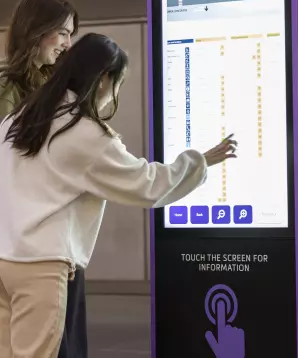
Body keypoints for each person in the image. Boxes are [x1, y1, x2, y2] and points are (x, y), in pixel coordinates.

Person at [0, 33, 237, 358]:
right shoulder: (83, 132)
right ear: (103, 80)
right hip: (41, 266)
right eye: (118, 85)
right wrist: (198, 162)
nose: (113, 97)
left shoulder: (20, 119)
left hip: (4, 260)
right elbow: (147, 184)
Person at [0, 0, 87, 358]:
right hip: (28, 244)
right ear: (37, 31)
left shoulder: (52, 86)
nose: (68, 44)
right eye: (62, 34)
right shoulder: (9, 88)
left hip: (47, 237)